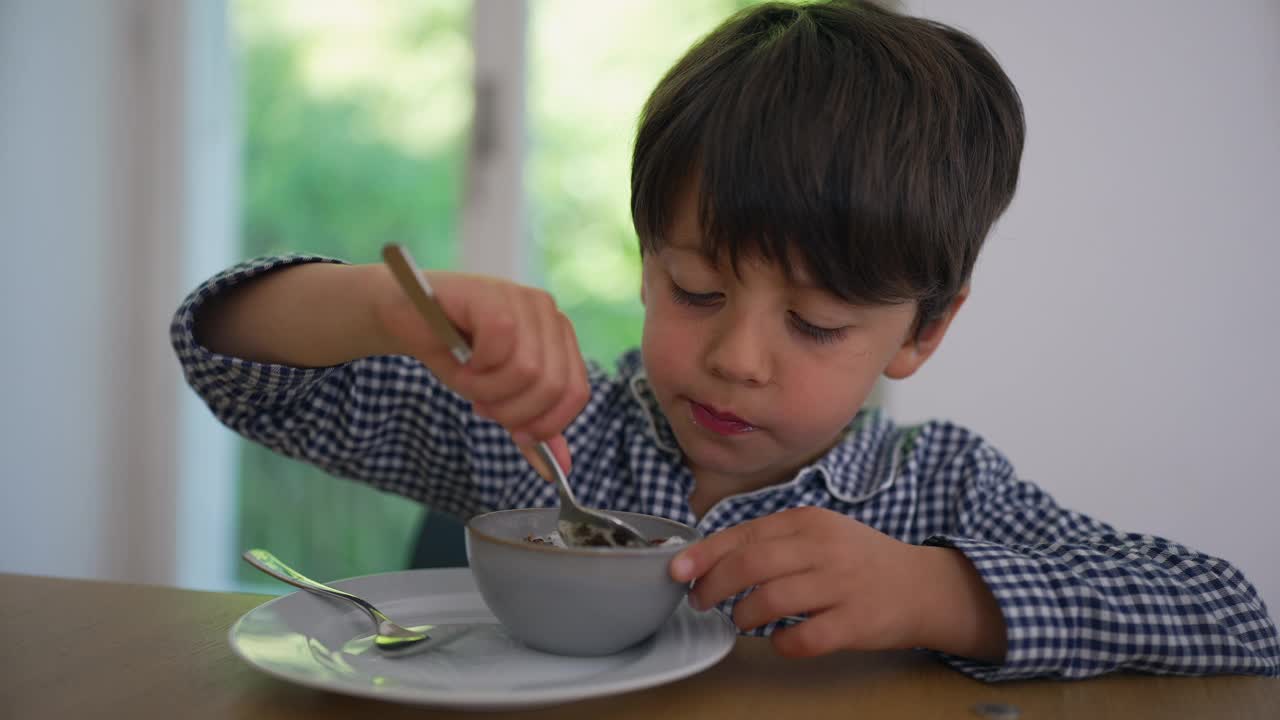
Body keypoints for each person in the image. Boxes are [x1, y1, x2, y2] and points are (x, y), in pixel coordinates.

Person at [171, 1, 1279, 680]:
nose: (739, 358)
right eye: (695, 290)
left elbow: (1232, 617)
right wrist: (379, 308)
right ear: (646, 259)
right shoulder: (542, 432)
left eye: (813, 324)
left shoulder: (932, 491)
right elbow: (225, 358)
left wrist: (936, 593)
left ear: (923, 331)